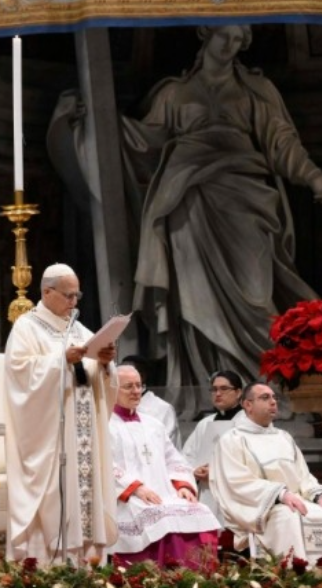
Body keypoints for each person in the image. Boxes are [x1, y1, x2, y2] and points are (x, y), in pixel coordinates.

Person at [52, 26, 322, 415]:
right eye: (224, 37)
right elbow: (139, 144)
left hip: (245, 198)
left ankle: (262, 392)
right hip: (186, 202)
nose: (231, 45)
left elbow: (282, 144)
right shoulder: (173, 94)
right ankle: (205, 387)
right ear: (205, 35)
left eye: (239, 40)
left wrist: (314, 177)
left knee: (256, 295)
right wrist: (88, 121)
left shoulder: (255, 92)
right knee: (194, 299)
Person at [4, 263, 119, 563]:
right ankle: (48, 568)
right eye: (68, 296)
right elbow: (19, 373)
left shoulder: (79, 329)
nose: (74, 302)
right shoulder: (26, 327)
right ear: (46, 292)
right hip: (50, 438)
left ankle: (88, 566)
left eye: (77, 296)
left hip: (82, 437)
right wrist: (60, 360)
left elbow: (98, 379)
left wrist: (105, 364)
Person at [108, 365, 220, 569]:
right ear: (112, 388)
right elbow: (104, 465)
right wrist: (136, 488)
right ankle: (160, 577)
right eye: (128, 387)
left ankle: (199, 581)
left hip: (164, 493)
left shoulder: (154, 424)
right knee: (163, 519)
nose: (135, 391)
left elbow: (173, 459)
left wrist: (183, 485)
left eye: (138, 385)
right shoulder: (105, 424)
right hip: (127, 498)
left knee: (200, 511)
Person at [212, 382, 322, 559]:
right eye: (265, 398)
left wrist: (317, 495)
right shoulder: (232, 440)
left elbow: (303, 476)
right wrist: (281, 494)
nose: (273, 402)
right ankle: (298, 578)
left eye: (274, 397)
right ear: (248, 405)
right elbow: (237, 483)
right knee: (291, 518)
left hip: (296, 501)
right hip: (264, 509)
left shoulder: (283, 437)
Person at [181, 370, 245, 523]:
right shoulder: (204, 424)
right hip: (206, 493)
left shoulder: (246, 424)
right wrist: (194, 471)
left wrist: (218, 473)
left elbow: (250, 462)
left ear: (238, 392)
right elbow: (186, 456)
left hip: (235, 494)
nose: (218, 393)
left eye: (224, 389)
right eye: (214, 389)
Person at [120, 355, 181, 447]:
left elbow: (168, 447)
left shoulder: (163, 409)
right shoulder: (115, 406)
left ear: (142, 376)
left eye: (126, 374)